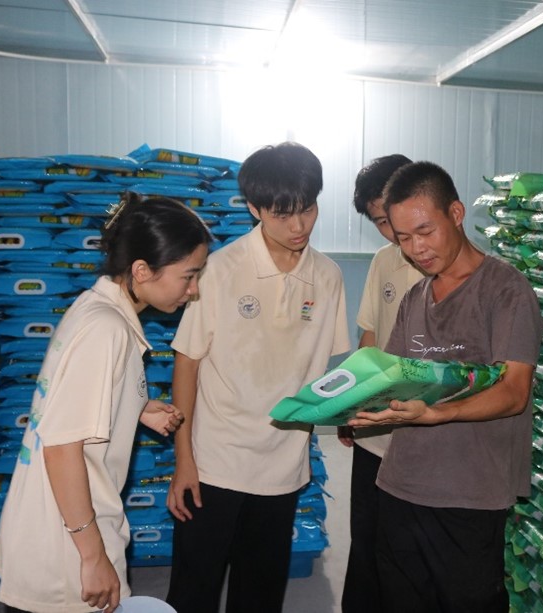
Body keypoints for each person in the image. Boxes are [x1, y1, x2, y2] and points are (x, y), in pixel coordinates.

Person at [0, 194, 212, 613]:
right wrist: (93, 556)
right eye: (188, 276)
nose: (194, 289)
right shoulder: (106, 330)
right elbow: (62, 448)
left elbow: (74, 395)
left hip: (58, 527)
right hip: (67, 546)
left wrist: (136, 406)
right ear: (142, 271)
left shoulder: (96, 308)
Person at [349, 161, 543, 613]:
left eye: (425, 231)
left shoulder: (506, 291)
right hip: (400, 487)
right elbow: (392, 377)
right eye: (403, 238)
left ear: (456, 213)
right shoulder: (415, 297)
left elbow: (514, 391)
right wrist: (348, 402)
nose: (416, 248)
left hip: (468, 496)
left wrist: (439, 412)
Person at [165, 142, 350, 613]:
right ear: (254, 208)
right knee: (194, 591)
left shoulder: (328, 277)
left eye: (308, 209)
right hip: (215, 461)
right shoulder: (220, 271)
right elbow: (187, 363)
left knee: (260, 594)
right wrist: (184, 460)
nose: (299, 226)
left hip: (282, 467)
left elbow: (328, 369)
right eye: (282, 214)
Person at [339, 153, 424, 613]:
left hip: (428, 435)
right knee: (366, 542)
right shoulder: (383, 262)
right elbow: (369, 340)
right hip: (377, 434)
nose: (392, 232)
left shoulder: (447, 263)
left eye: (394, 217)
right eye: (380, 222)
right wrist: (353, 405)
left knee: (410, 552)